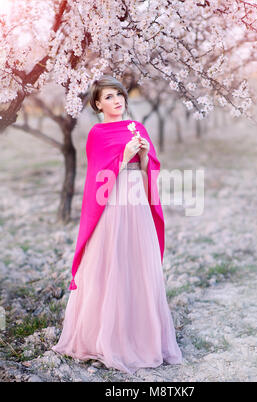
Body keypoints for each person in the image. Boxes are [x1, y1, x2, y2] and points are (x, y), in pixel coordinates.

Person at [51, 75, 183, 375]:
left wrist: (145, 155)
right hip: (110, 199)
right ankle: (103, 335)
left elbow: (152, 168)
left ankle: (139, 336)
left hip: (136, 198)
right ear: (98, 104)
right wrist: (123, 157)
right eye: (108, 97)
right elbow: (99, 171)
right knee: (110, 259)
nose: (117, 100)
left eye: (119, 94)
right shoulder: (97, 133)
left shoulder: (139, 128)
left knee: (137, 260)